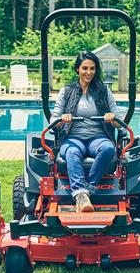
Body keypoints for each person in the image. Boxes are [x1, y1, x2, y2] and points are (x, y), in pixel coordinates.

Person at [50, 51, 122, 212]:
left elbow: (119, 123)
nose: (89, 72)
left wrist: (111, 118)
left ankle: (87, 190)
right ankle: (80, 195)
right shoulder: (67, 91)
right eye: (85, 68)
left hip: (98, 137)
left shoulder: (104, 91)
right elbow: (53, 121)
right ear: (77, 69)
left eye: (92, 68)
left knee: (109, 148)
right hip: (73, 136)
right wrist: (62, 119)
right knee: (72, 151)